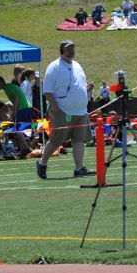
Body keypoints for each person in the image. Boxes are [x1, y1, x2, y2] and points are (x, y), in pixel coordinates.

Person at [36, 40, 95, 179]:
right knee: (56, 140)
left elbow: (76, 85)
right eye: (68, 49)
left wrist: (87, 90)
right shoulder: (54, 66)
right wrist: (56, 108)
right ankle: (42, 162)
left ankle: (79, 168)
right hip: (63, 110)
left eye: (72, 49)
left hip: (80, 111)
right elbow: (48, 90)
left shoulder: (77, 65)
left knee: (79, 140)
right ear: (62, 51)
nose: (71, 52)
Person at [0, 76, 31, 156]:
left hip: (22, 109)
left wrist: (15, 110)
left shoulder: (7, 87)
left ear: (1, 82)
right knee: (22, 131)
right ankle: (23, 149)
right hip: (26, 108)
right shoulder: (9, 87)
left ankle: (27, 149)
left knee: (17, 131)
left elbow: (16, 97)